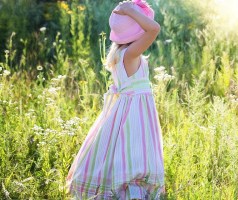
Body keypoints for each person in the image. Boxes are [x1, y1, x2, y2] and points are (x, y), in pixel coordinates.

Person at [65, 0, 165, 199]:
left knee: (119, 147)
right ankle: (132, 187)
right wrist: (129, 10)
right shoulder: (131, 54)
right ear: (137, 31)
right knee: (134, 148)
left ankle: (118, 182)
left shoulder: (121, 53)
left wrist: (132, 11)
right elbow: (154, 29)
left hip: (125, 106)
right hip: (135, 110)